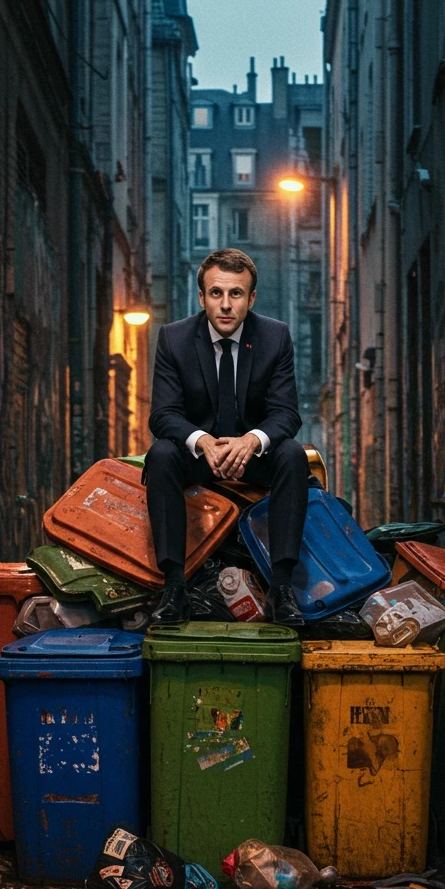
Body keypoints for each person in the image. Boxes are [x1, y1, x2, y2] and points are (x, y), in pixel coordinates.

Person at [144, 247, 309, 626]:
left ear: (251, 298)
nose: (225, 305)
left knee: (292, 454)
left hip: (252, 455)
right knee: (162, 454)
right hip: (198, 456)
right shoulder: (174, 338)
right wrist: (201, 440)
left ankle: (281, 590)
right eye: (216, 293)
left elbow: (287, 413)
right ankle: (174, 586)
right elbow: (163, 414)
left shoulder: (274, 337)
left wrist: (251, 440)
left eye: (236, 294)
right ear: (201, 297)